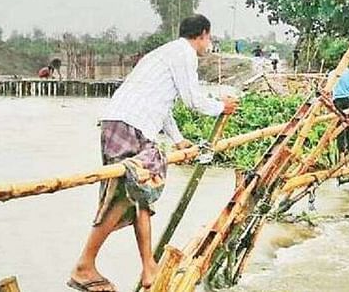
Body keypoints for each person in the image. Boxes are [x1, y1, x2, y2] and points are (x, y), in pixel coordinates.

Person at [68, 14, 238, 292]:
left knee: (140, 195)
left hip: (126, 123)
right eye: (209, 38)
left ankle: (149, 268)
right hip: (127, 125)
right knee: (124, 193)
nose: (209, 43)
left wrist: (179, 139)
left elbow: (164, 105)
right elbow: (193, 100)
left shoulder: (165, 53)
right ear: (203, 34)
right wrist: (221, 107)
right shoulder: (184, 53)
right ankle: (84, 265)